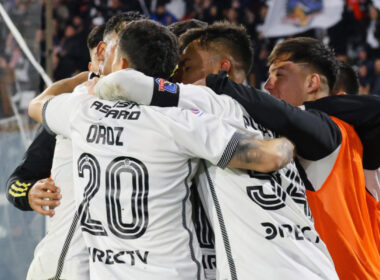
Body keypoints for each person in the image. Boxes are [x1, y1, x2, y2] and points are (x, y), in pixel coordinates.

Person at [28, 19, 294, 280]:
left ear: (121, 65)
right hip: (175, 270)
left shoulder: (81, 109)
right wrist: (282, 135)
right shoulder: (183, 122)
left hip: (97, 270)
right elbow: (271, 156)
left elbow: (38, 104)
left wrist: (83, 80)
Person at [93, 22, 339, 280]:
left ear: (223, 69)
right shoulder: (276, 120)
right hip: (318, 265)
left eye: (185, 67)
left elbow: (124, 83)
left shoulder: (209, 101)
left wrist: (91, 86)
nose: (176, 76)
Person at [200, 37, 380, 280]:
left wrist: (217, 84)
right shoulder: (341, 142)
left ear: (312, 83)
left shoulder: (332, 133)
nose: (268, 86)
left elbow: (285, 116)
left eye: (279, 75)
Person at [7, 12, 144, 280]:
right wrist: (29, 193)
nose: (101, 70)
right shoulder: (69, 113)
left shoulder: (160, 113)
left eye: (111, 55)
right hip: (71, 264)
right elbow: (16, 181)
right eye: (97, 59)